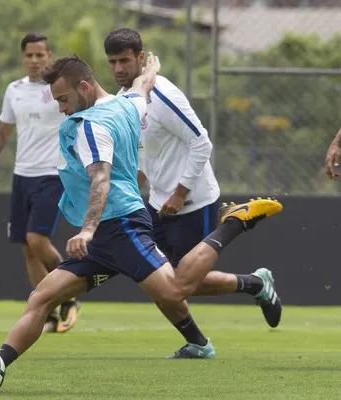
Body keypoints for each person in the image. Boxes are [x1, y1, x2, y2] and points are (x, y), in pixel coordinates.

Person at [0, 53, 283, 370]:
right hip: (103, 238)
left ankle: (234, 223)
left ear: (85, 87)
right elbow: (143, 87)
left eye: (63, 99)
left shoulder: (90, 127)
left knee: (175, 289)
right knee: (41, 298)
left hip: (120, 226)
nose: (61, 108)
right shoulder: (126, 104)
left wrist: (87, 231)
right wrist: (151, 70)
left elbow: (101, 180)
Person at [103, 28, 282, 354]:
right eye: (112, 61)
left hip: (193, 201)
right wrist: (140, 181)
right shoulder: (124, 100)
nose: (118, 68)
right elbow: (144, 150)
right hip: (157, 203)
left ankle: (254, 283)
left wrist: (180, 193)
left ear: (141, 58)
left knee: (179, 285)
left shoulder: (165, 95)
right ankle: (200, 342)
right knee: (158, 281)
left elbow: (201, 142)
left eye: (124, 60)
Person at [0, 33, 80, 333]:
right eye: (29, 55)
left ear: (49, 56)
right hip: (22, 175)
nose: (34, 61)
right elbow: (3, 133)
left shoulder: (60, 88)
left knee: (37, 239)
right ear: (23, 58)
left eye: (40, 55)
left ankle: (70, 292)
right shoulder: (14, 90)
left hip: (53, 173)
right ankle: (48, 312)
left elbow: (80, 121)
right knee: (27, 250)